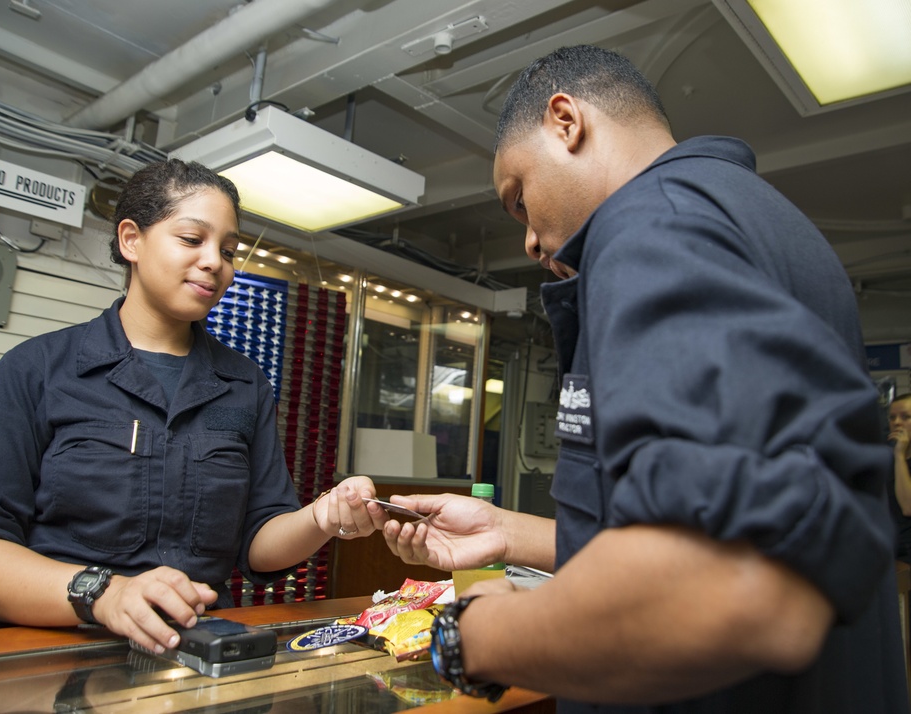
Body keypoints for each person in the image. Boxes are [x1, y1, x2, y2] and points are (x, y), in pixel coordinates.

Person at [383, 45, 906, 712]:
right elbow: (725, 505)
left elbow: (730, 585)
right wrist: (508, 533)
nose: (529, 242)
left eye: (518, 198)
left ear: (565, 121)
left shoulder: (648, 228)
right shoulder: (759, 219)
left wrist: (475, 635)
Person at [0, 159, 388, 655]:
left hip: (196, 658)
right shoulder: (39, 368)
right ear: (131, 240)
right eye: (191, 239)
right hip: (49, 656)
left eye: (227, 251)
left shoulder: (243, 383)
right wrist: (102, 592)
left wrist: (322, 516)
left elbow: (258, 545)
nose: (214, 263)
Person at [888, 392, 911, 562]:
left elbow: (908, 506)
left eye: (905, 417)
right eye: (892, 417)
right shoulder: (882, 458)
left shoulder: (897, 457)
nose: (896, 423)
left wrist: (900, 456)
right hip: (888, 553)